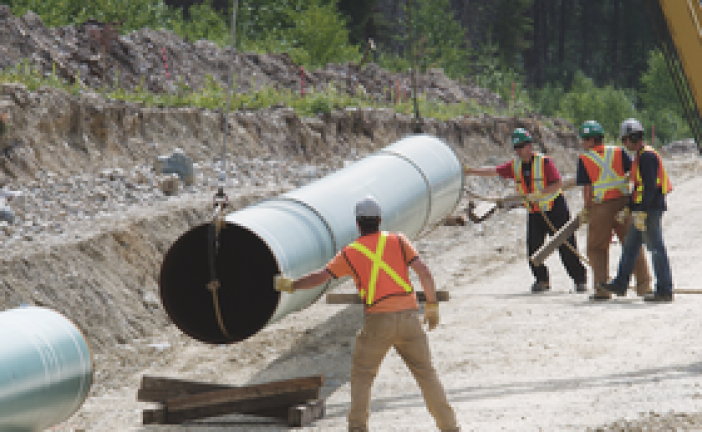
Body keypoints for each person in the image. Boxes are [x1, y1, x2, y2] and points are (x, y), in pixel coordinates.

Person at [274, 196, 460, 432]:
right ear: (380, 220)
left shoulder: (351, 253)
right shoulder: (399, 241)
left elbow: (320, 277)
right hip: (409, 318)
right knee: (426, 374)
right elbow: (424, 272)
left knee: (362, 376)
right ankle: (450, 427)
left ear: (358, 223)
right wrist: (432, 305)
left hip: (378, 321)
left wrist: (291, 285)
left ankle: (358, 428)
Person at [465, 127, 587, 293]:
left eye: (522, 146)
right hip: (535, 212)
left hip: (555, 210)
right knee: (533, 248)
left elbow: (558, 184)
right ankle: (542, 280)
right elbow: (494, 170)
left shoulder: (545, 162)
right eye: (516, 147)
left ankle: (580, 280)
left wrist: (539, 194)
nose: (519, 150)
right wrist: (471, 170)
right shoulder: (515, 166)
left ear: (530, 146)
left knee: (566, 246)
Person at [599, 118, 674, 302]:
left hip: (650, 209)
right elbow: (639, 188)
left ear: (630, 138)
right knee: (631, 247)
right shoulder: (640, 155)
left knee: (656, 248)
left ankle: (664, 289)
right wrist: (629, 208)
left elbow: (650, 187)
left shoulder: (647, 156)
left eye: (624, 140)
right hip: (643, 208)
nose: (623, 144)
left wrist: (642, 212)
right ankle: (620, 283)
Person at [576, 120, 651, 301]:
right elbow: (633, 173)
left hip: (600, 207)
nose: (583, 143)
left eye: (585, 139)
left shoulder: (585, 159)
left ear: (592, 140)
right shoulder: (618, 151)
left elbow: (587, 188)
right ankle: (644, 286)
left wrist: (587, 209)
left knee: (596, 248)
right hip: (624, 204)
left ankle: (602, 290)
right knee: (632, 245)